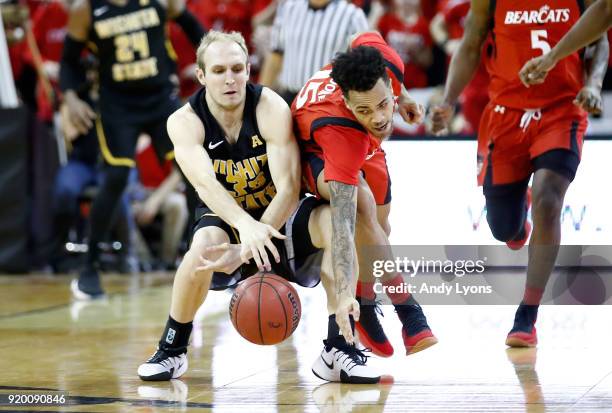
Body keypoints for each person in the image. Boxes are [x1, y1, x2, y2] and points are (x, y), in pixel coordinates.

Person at [137, 31, 381, 384]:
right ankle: (173, 348)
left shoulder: (270, 107)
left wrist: (257, 234)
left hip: (281, 216)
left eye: (237, 68)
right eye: (219, 70)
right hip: (228, 221)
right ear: (202, 76)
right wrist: (244, 228)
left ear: (249, 69)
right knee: (202, 247)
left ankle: (339, 347)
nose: (230, 78)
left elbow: (290, 185)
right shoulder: (183, 122)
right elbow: (205, 184)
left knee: (333, 222)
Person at [431, 0, 608, 347]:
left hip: (562, 109)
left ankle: (527, 314)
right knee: (504, 228)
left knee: (549, 198)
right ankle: (519, 217)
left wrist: (593, 85)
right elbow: (470, 43)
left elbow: (601, 35)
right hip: (506, 112)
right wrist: (448, 99)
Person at [292, 31, 437, 358]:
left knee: (380, 230)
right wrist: (343, 295)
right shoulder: (341, 131)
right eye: (366, 110)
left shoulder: (388, 64)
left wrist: (404, 98)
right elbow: (342, 228)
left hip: (365, 143)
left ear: (388, 80)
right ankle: (408, 311)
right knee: (361, 209)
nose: (381, 117)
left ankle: (367, 305)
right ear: (347, 102)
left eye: (384, 103)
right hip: (314, 151)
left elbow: (362, 36)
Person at [59, 0, 206, 298]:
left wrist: (208, 68)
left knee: (191, 171)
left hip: (161, 99)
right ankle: (89, 267)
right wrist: (72, 98)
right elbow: (68, 62)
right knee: (115, 178)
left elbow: (194, 28)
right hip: (118, 107)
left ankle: (201, 259)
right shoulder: (86, 9)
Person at [519, 0, 612, 88]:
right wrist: (551, 57)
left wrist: (593, 85)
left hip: (567, 96)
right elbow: (605, 11)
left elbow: (605, 13)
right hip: (512, 98)